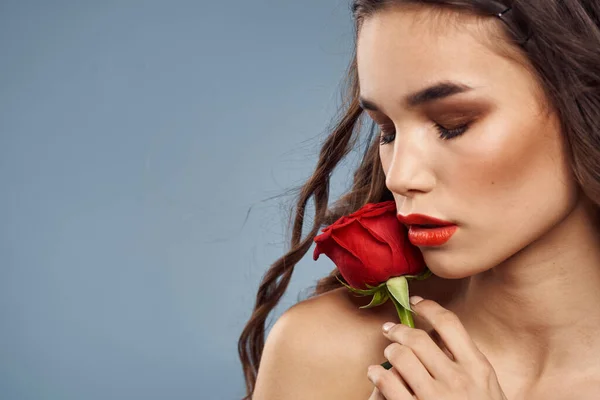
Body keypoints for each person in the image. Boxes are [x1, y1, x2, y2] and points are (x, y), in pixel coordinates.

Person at [238, 0, 600, 398]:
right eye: (387, 131)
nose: (400, 177)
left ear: (585, 109)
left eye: (453, 125)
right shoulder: (323, 350)